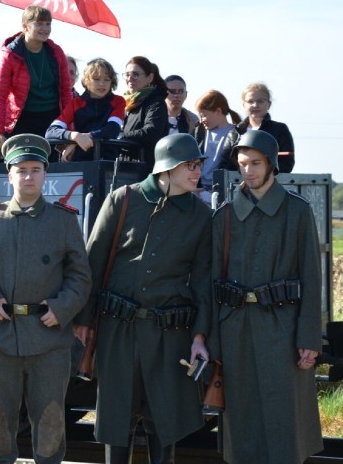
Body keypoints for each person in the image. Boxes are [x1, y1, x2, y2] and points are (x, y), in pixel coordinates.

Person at [74, 133, 212, 464]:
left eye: (198, 165)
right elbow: (92, 263)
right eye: (189, 165)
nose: (197, 172)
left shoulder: (200, 215)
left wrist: (199, 336)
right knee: (116, 417)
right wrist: (83, 321)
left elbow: (204, 281)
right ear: (166, 168)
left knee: (163, 418)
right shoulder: (122, 200)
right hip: (117, 330)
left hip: (169, 334)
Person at [0, 134, 91, 464]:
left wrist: (61, 308)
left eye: (36, 169)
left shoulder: (63, 220)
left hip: (48, 337)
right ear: (10, 174)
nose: (29, 176)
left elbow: (80, 275)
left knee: (50, 421)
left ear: (45, 174)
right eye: (21, 170)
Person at [209, 130, 323, 463]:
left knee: (284, 421)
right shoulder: (225, 216)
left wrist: (309, 338)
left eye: (256, 163)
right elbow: (212, 283)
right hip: (235, 330)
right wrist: (214, 340)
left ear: (271, 164)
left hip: (283, 328)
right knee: (241, 423)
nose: (249, 171)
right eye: (243, 164)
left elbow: (311, 278)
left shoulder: (297, 212)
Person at [0, 5, 73, 152]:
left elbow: (66, 92)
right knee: (24, 164)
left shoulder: (56, 52)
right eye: (39, 23)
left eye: (48, 24)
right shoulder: (10, 54)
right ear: (25, 26)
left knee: (51, 168)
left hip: (52, 119)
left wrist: (69, 129)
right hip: (22, 119)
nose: (45, 28)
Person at [45, 58, 125, 161]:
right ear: (86, 81)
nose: (102, 83)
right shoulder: (75, 103)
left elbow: (112, 129)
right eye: (96, 79)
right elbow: (51, 131)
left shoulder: (118, 101)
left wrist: (83, 138)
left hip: (108, 162)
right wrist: (74, 136)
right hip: (80, 162)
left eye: (107, 79)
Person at [119, 56, 169, 174]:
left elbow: (151, 131)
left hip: (148, 171)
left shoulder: (156, 102)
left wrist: (121, 136)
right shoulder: (128, 104)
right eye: (127, 74)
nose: (130, 79)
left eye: (135, 74)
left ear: (150, 78)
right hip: (128, 169)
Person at [193, 90, 241, 206]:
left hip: (222, 188)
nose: (201, 120)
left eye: (204, 115)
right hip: (200, 189)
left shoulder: (235, 134)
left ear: (218, 111)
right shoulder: (200, 132)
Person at [236, 82, 295, 173]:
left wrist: (264, 176)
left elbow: (286, 163)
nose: (255, 105)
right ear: (244, 105)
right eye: (250, 101)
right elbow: (226, 162)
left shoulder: (280, 129)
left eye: (260, 101)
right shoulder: (235, 132)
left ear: (269, 104)